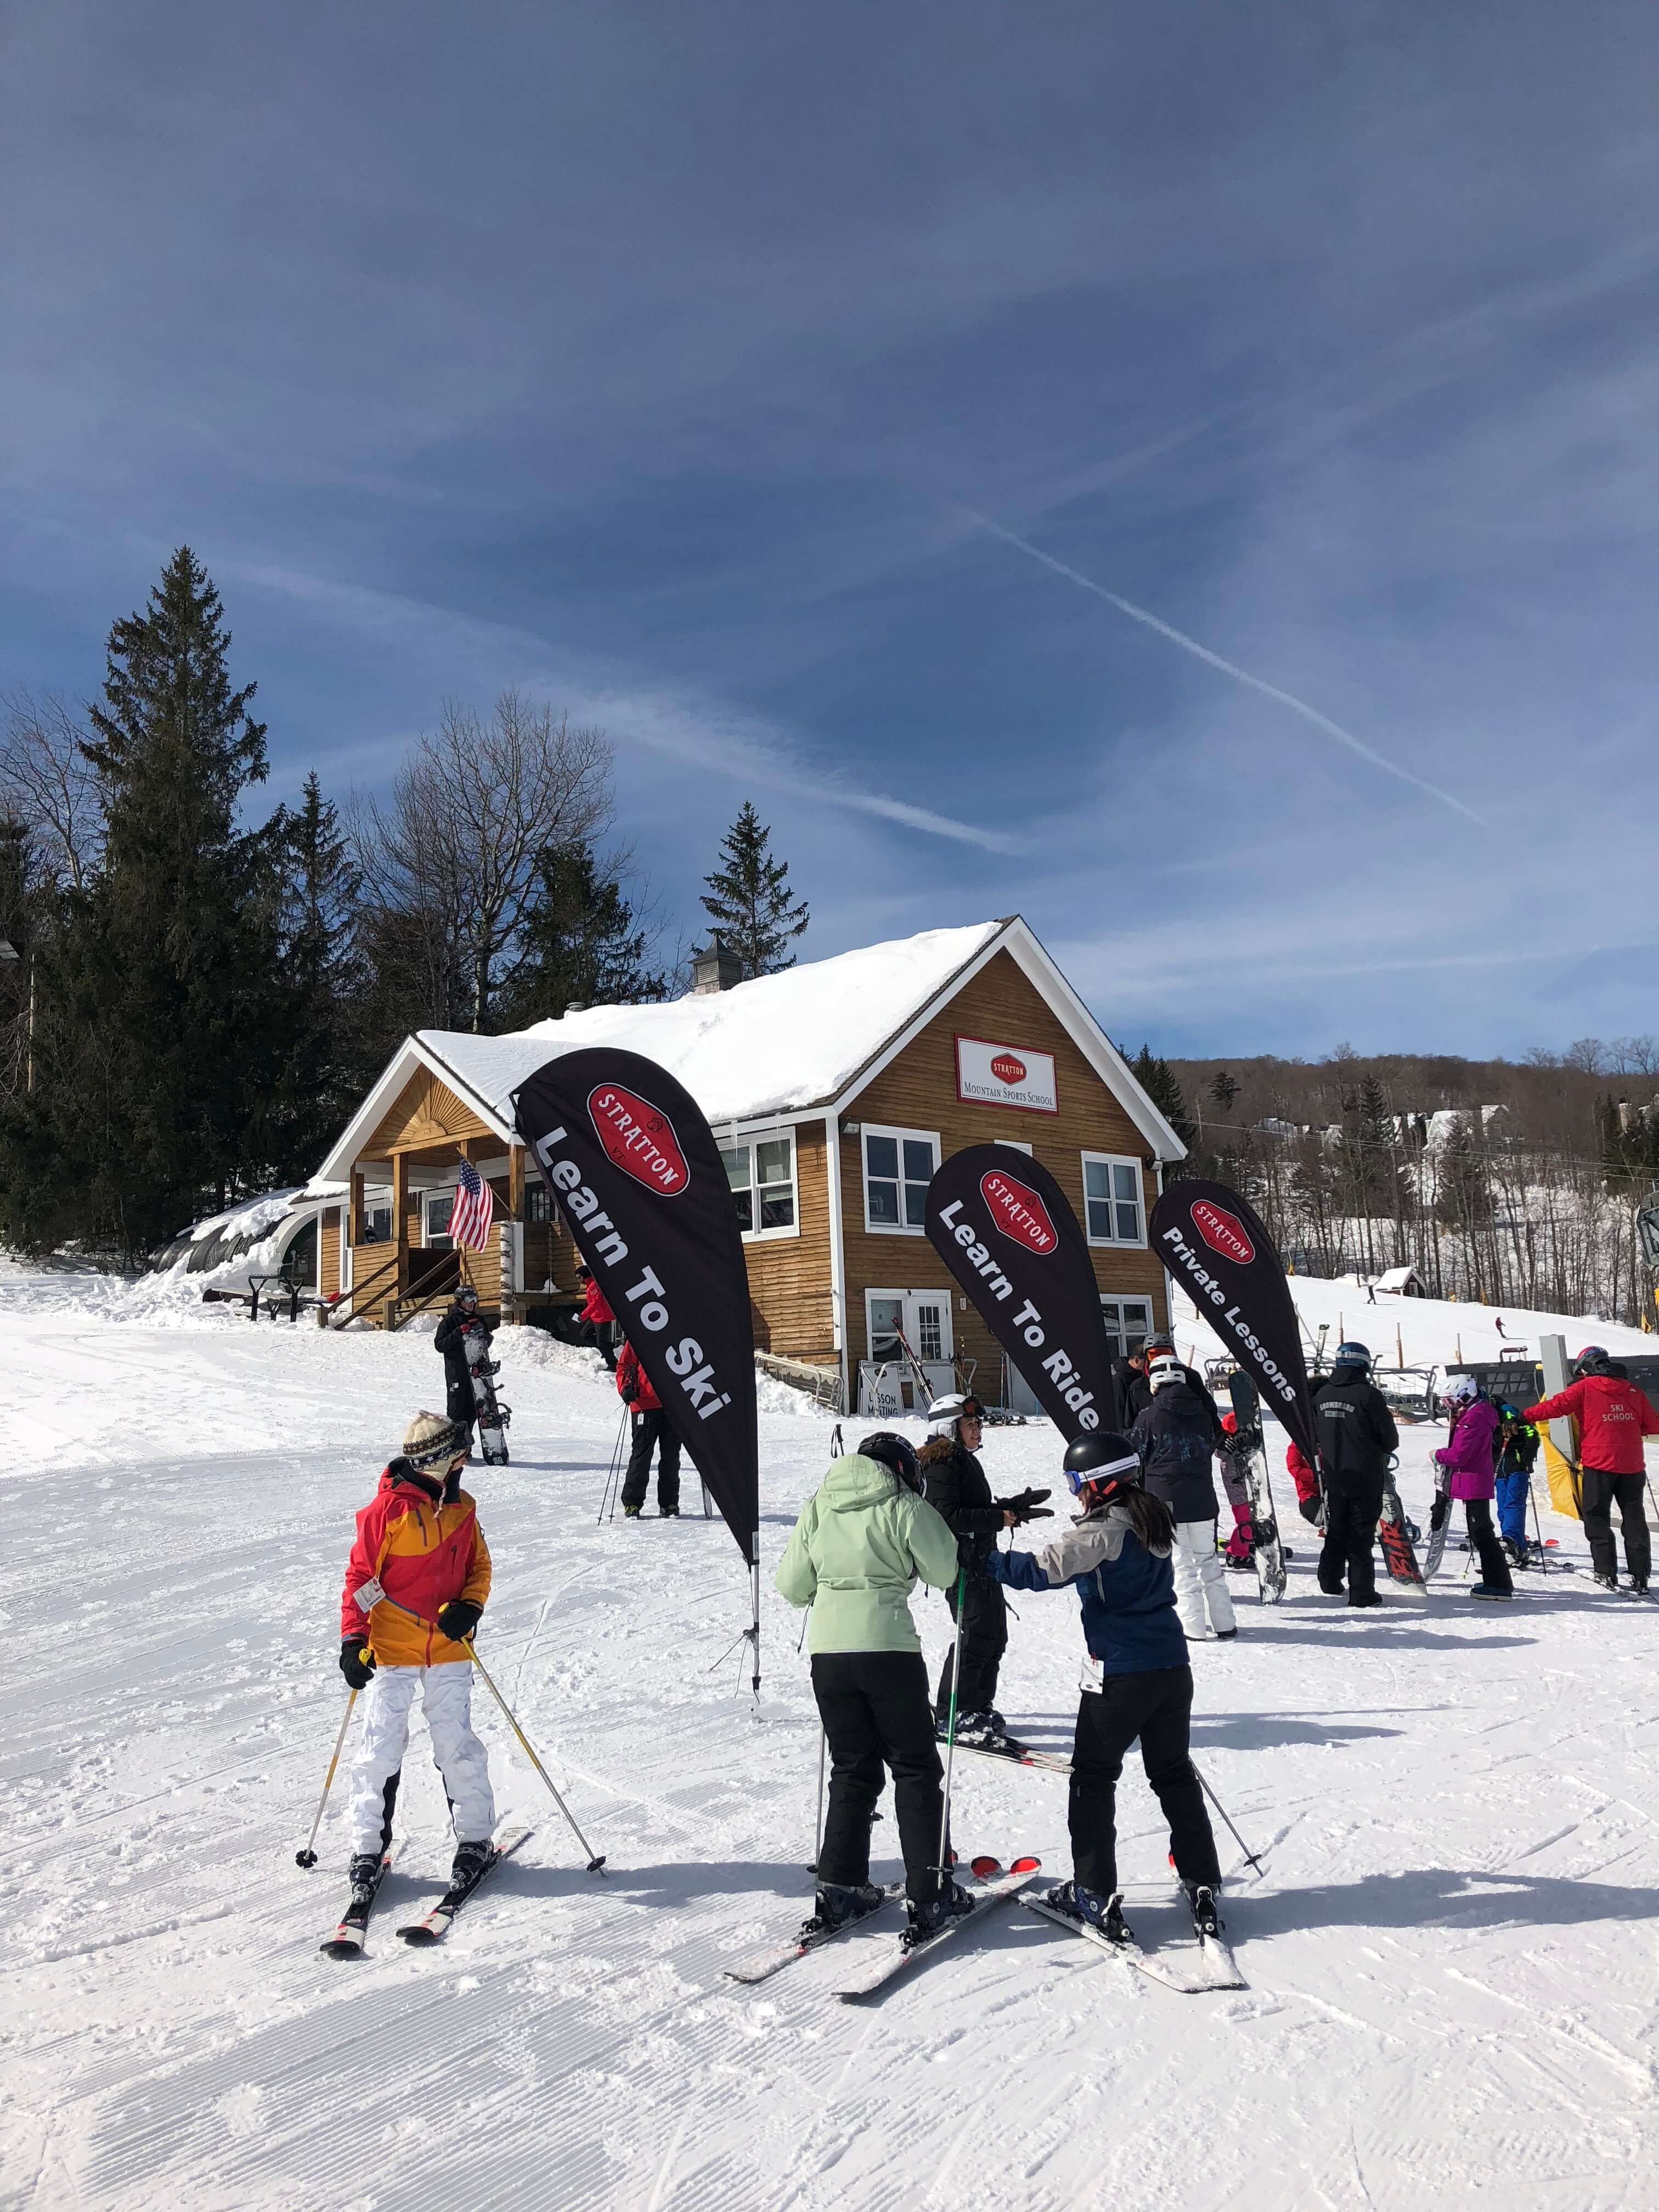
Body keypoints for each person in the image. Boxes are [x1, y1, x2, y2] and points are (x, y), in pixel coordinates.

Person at [984, 1430, 1224, 1947]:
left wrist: (986, 1561)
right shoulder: (1152, 1513)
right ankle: (1202, 1877)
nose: (1074, 1493)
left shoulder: (1104, 1531)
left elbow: (1043, 1570)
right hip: (1171, 1669)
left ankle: (1094, 1893)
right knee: (1173, 1773)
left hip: (1120, 1672)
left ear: (1100, 1482)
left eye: (1076, 1482)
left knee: (1092, 1778)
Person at [775, 1430, 974, 1943]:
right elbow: (945, 1568)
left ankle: (840, 1887)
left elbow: (792, 1586)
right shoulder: (903, 1502)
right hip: (888, 1648)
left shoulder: (820, 1504)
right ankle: (929, 1896)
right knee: (913, 1767)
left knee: (852, 1769)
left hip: (829, 1652)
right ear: (904, 1470)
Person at [338, 1411, 495, 1899]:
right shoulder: (384, 1515)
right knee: (380, 1749)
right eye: (458, 1456)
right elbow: (360, 1580)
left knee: (456, 1746)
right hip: (392, 1651)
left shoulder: (463, 1509)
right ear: (437, 1463)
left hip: (449, 1649)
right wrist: (353, 1641)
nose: (465, 1462)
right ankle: (368, 1847)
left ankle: (474, 1840)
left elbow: (479, 1568)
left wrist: (470, 1607)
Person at [919, 1393, 1052, 1748]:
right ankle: (953, 1713)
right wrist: (997, 1517)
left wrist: (1009, 1508)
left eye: (978, 1424)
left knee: (994, 1635)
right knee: (974, 1635)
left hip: (983, 1562)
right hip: (962, 1566)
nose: (978, 1430)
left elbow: (970, 1507)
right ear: (949, 1427)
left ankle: (977, 1706)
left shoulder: (960, 1460)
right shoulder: (941, 1465)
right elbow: (946, 1517)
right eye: (971, 1424)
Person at [1524, 1347, 1659, 1593]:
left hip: (1599, 1465)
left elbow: (1554, 1408)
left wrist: (1523, 1417)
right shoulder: (1633, 1390)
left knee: (1596, 1516)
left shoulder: (1584, 1388)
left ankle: (1605, 1571)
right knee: (1635, 1519)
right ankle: (1640, 1575)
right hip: (1632, 1465)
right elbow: (1652, 1424)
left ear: (1586, 1368)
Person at [1130, 1355, 1234, 1641]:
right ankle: (1225, 1623)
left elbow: (1136, 1457)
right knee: (1208, 1561)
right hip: (1202, 1497)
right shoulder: (1204, 1413)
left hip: (1165, 1499)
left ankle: (1193, 1628)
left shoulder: (1149, 1417)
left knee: (1181, 1564)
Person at [1312, 1341, 1398, 1607]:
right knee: (1361, 1533)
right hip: (1365, 1474)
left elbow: (1314, 1433)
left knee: (1337, 1526)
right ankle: (1362, 1591)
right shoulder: (1368, 1395)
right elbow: (1389, 1439)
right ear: (1364, 1364)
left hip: (1335, 1474)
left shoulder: (1322, 1394)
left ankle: (1330, 1578)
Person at [1434, 1375, 1513, 1600]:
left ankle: (1499, 1584)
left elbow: (1460, 1455)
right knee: (1480, 1531)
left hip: (1474, 1480)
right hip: (1472, 1479)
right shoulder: (1475, 1413)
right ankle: (1496, 1581)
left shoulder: (1474, 1418)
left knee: (1481, 1532)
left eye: (1451, 1402)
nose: (1449, 1407)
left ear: (1465, 1396)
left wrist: (1438, 1455)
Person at [617, 1336, 681, 1517]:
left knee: (671, 1456)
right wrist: (624, 1388)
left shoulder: (677, 1333)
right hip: (643, 1404)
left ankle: (670, 1503)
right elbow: (623, 1366)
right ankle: (632, 1503)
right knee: (641, 1455)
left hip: (674, 1405)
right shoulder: (638, 1333)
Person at [433, 1283, 490, 1454]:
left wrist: (482, 1335)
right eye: (468, 1299)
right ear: (459, 1301)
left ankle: (465, 1447)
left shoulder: (480, 1320)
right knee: (457, 1412)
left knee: (473, 1412)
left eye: (474, 1299)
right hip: (457, 1375)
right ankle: (453, 1449)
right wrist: (459, 1332)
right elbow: (440, 1345)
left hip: (475, 1374)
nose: (472, 1303)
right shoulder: (449, 1322)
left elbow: (486, 1343)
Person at [1494, 1403, 1539, 1567]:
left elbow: (1533, 1433)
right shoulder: (1480, 1414)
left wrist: (1527, 1458)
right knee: (1503, 1506)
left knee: (1514, 1504)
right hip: (1499, 1467)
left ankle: (1511, 1540)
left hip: (1517, 1464)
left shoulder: (1506, 1410)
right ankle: (1515, 1545)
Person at [1216, 1410, 1256, 1570]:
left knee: (1250, 1520)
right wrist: (1232, 1441)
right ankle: (1236, 1553)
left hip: (1246, 1489)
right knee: (1246, 1521)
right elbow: (1220, 1452)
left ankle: (1245, 1545)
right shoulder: (1227, 1447)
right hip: (1239, 1492)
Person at [576, 1264, 618, 1373]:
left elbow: (596, 1303)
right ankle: (606, 1349)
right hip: (595, 1316)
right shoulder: (590, 1285)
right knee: (585, 1335)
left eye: (579, 1277)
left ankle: (613, 1364)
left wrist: (583, 1316)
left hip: (602, 1317)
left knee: (601, 1343)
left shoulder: (594, 1285)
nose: (578, 1280)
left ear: (585, 1276)